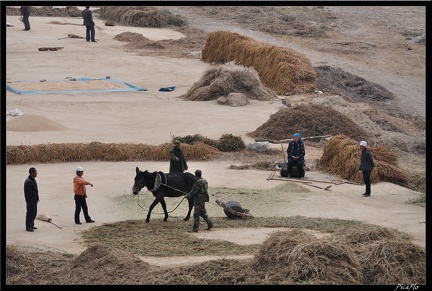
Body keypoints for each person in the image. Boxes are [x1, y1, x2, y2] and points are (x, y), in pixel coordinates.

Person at [24, 167, 39, 232]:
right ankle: (28, 227)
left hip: (35, 200)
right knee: (30, 213)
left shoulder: (33, 180)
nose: (36, 173)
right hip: (31, 201)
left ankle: (31, 225)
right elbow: (28, 194)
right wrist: (30, 202)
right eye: (35, 172)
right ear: (32, 173)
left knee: (34, 213)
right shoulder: (28, 182)